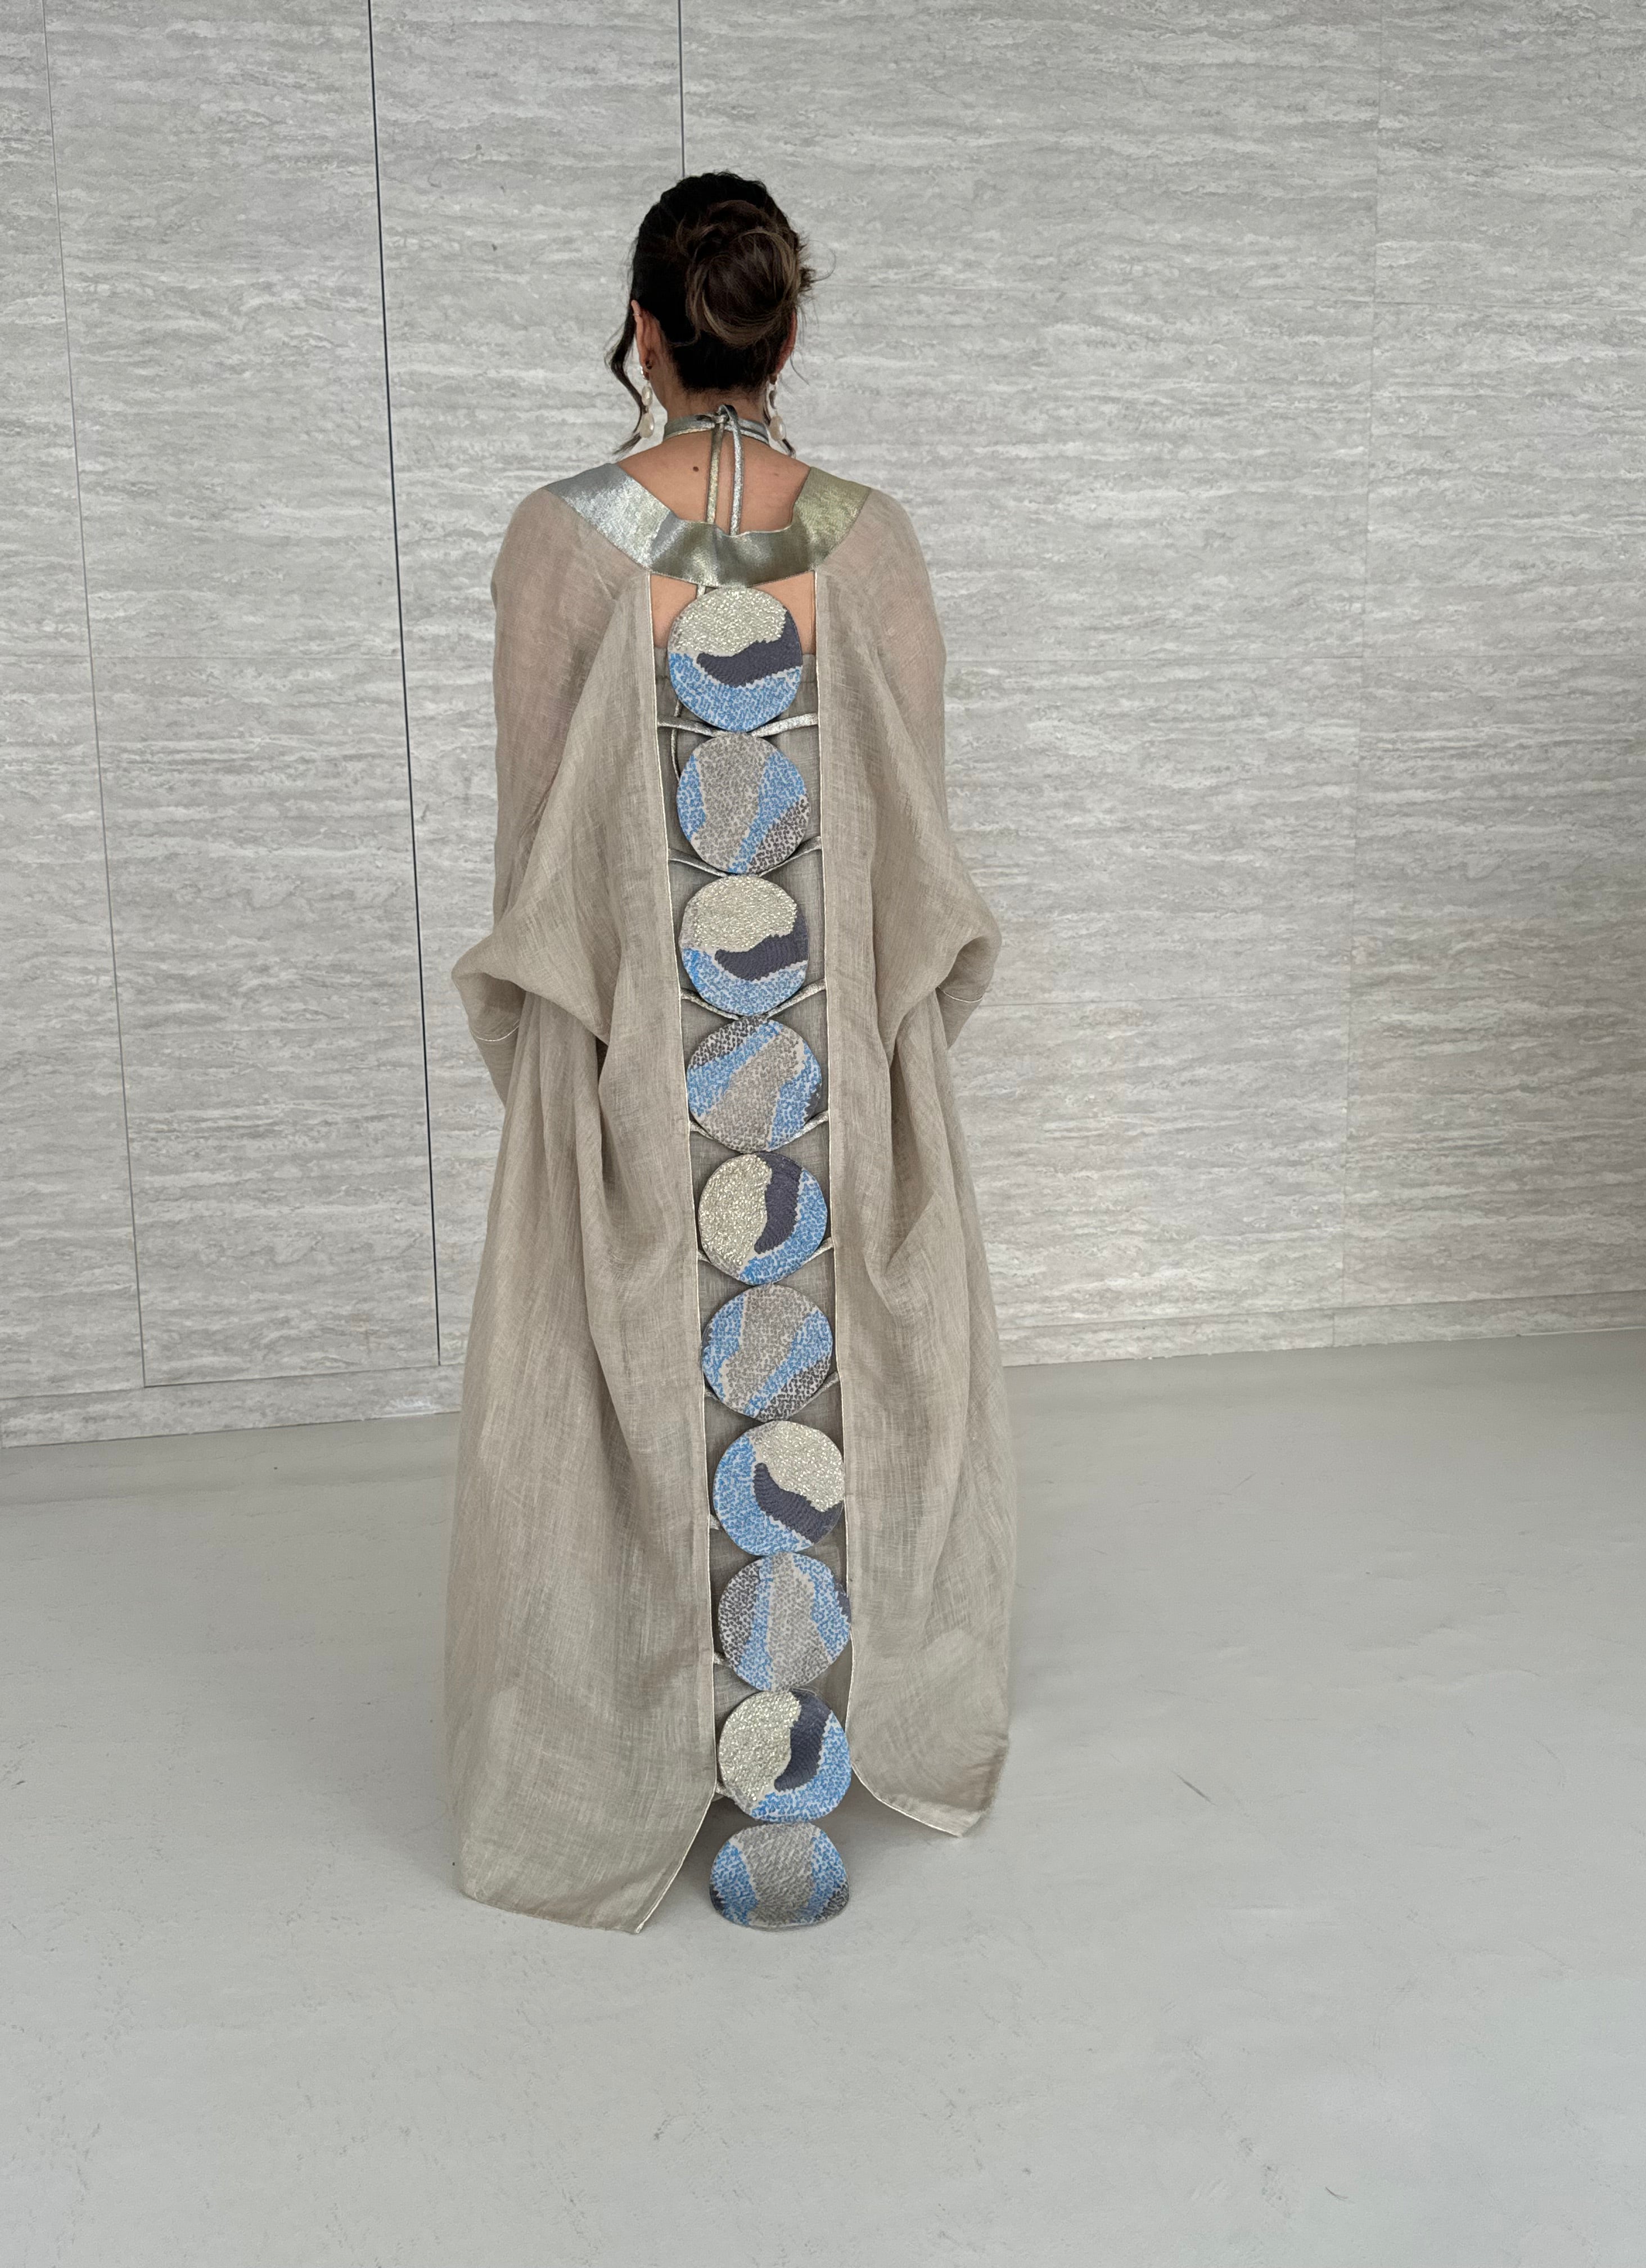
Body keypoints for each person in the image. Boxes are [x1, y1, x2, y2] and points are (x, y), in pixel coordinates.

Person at [447, 172, 1016, 1933]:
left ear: (643, 328)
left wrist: (586, 1070)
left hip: (635, 1044)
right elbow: (915, 847)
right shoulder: (870, 541)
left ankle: (632, 1722)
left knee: (617, 1359)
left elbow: (538, 853)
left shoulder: (561, 543)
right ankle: (830, 1692)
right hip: (827, 1054)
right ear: (785, 333)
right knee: (838, 1352)